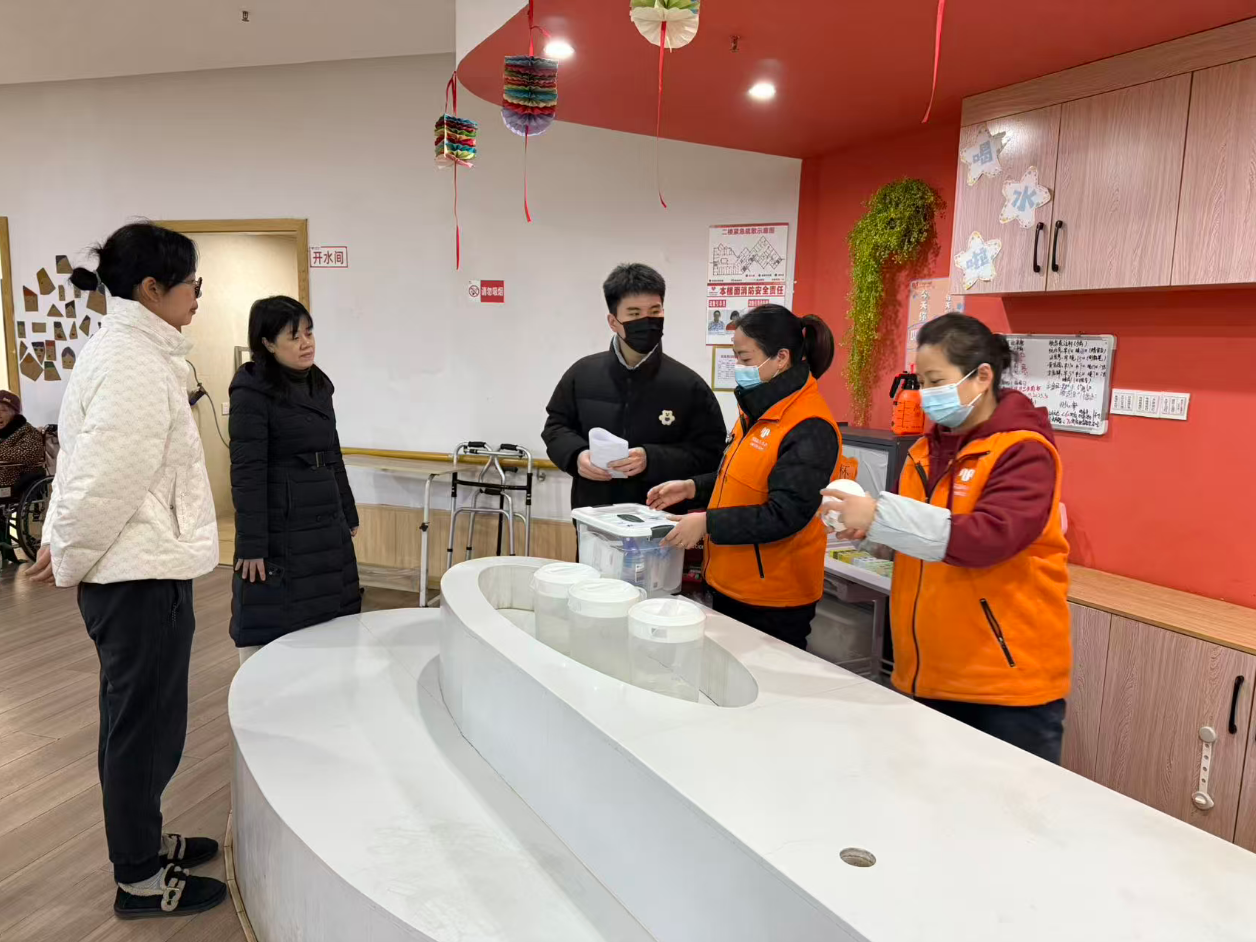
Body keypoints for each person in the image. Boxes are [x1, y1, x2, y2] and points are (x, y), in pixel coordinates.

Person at [27, 223, 227, 917]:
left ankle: (144, 840)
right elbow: (103, 481)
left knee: (142, 722)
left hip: (141, 569)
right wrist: (67, 547)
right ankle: (139, 877)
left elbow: (80, 465)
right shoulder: (133, 362)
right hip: (136, 579)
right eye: (192, 283)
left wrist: (61, 537)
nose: (198, 296)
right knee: (143, 730)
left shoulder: (133, 350)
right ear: (151, 288)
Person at [820, 313, 1071, 763]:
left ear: (982, 377)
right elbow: (921, 539)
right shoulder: (924, 450)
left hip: (1003, 685)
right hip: (926, 673)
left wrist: (881, 517)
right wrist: (871, 534)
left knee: (1005, 804)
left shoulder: (1023, 451)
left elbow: (990, 539)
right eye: (920, 382)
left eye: (936, 381)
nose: (925, 394)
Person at [649, 304, 841, 649]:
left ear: (781, 358)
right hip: (731, 582)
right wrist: (692, 487)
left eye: (745, 358)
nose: (737, 366)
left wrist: (706, 523)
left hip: (773, 599)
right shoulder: (758, 409)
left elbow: (785, 514)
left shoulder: (809, 426)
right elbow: (740, 479)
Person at [229, 296, 360, 663]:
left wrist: (348, 511)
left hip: (325, 518)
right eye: (293, 336)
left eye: (309, 332)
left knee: (330, 612)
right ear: (268, 344)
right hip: (282, 521)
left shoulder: (319, 384)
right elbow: (247, 471)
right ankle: (260, 687)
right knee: (273, 613)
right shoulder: (252, 389)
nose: (306, 343)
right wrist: (252, 545)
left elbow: (332, 453)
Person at [543, 263, 727, 510]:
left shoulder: (688, 385)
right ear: (613, 321)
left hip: (661, 519)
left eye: (655, 311)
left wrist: (652, 458)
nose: (647, 321)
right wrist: (576, 456)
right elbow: (556, 427)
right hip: (593, 514)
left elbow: (711, 453)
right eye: (634, 313)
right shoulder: (582, 374)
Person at [1, 390, 46, 565]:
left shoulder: (28, 432)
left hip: (14, 482)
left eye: (3, 410)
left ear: (15, 412)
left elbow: (30, 453)